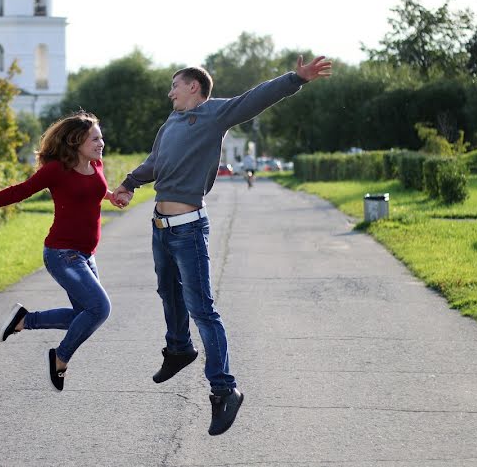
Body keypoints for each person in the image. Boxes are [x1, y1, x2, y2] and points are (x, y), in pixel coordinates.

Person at [112, 55, 333, 435]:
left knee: (202, 310)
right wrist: (129, 183)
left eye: (175, 86)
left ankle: (224, 390)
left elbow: (255, 98)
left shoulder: (214, 115)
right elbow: (155, 162)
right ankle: (178, 349)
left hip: (188, 229)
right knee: (168, 294)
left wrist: (295, 79)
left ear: (193, 87)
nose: (170, 93)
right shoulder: (171, 123)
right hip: (161, 228)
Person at [0, 111, 123, 392]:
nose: (101, 142)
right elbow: (19, 191)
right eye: (95, 138)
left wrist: (111, 196)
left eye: (101, 137)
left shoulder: (96, 164)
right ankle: (60, 357)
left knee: (82, 315)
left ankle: (22, 320)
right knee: (100, 309)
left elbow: (93, 190)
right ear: (76, 140)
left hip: (86, 254)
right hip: (62, 253)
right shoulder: (56, 170)